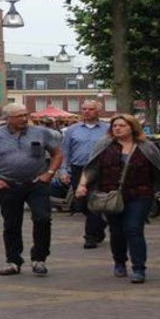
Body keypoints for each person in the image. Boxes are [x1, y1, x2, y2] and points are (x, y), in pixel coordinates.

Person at [76, 114, 160, 284]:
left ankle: (139, 268)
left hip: (140, 194)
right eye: (115, 126)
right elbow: (92, 167)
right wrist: (82, 185)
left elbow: (159, 170)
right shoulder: (105, 145)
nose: (117, 128)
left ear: (132, 127)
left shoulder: (147, 147)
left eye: (122, 125)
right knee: (117, 231)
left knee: (133, 229)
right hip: (111, 195)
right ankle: (119, 261)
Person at [0, 104, 62, 276]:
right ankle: (13, 261)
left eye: (25, 114)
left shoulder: (41, 132)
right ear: (8, 118)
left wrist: (50, 173)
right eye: (19, 116)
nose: (24, 118)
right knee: (11, 223)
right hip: (8, 184)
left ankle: (39, 258)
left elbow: (57, 154)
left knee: (43, 219)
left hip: (36, 183)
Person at [59, 100, 109, 249]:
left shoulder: (108, 129)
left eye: (91, 109)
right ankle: (100, 224)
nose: (87, 111)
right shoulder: (72, 130)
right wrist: (63, 171)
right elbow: (65, 151)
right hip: (78, 169)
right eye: (84, 109)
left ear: (98, 111)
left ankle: (90, 237)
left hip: (101, 170)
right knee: (81, 204)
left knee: (94, 202)